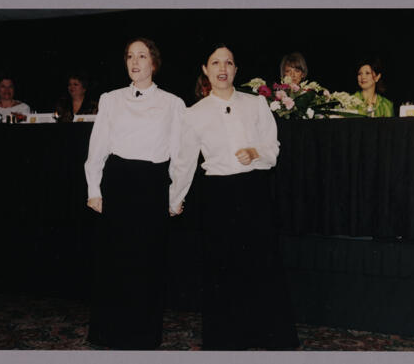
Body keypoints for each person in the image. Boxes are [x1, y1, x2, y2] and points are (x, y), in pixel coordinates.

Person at [169, 43, 300, 350]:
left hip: (253, 193)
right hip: (218, 197)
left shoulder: (255, 104)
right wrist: (174, 199)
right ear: (206, 70)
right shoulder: (194, 113)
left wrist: (255, 152)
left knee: (262, 266)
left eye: (228, 63)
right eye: (215, 63)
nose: (222, 69)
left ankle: (269, 337)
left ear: (236, 69)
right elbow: (185, 161)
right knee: (222, 271)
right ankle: (227, 340)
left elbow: (273, 148)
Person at [84, 37, 185, 350]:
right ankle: (108, 333)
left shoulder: (173, 103)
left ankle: (142, 336)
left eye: (142, 56)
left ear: (154, 63)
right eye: (130, 56)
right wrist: (94, 188)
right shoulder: (110, 99)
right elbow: (98, 146)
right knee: (114, 262)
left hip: (153, 186)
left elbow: (181, 155)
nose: (135, 62)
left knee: (148, 264)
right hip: (118, 183)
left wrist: (176, 196)